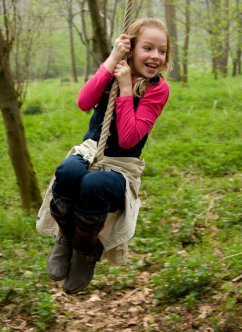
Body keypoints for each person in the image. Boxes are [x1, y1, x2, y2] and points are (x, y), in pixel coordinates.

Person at [45, 18, 170, 295]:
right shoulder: (114, 69)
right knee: (67, 171)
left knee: (94, 185)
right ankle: (66, 236)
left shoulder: (158, 89)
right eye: (148, 48)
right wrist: (112, 59)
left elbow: (128, 138)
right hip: (91, 150)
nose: (155, 57)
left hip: (121, 167)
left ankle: (86, 251)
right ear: (132, 48)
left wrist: (126, 89)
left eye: (162, 51)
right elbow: (83, 102)